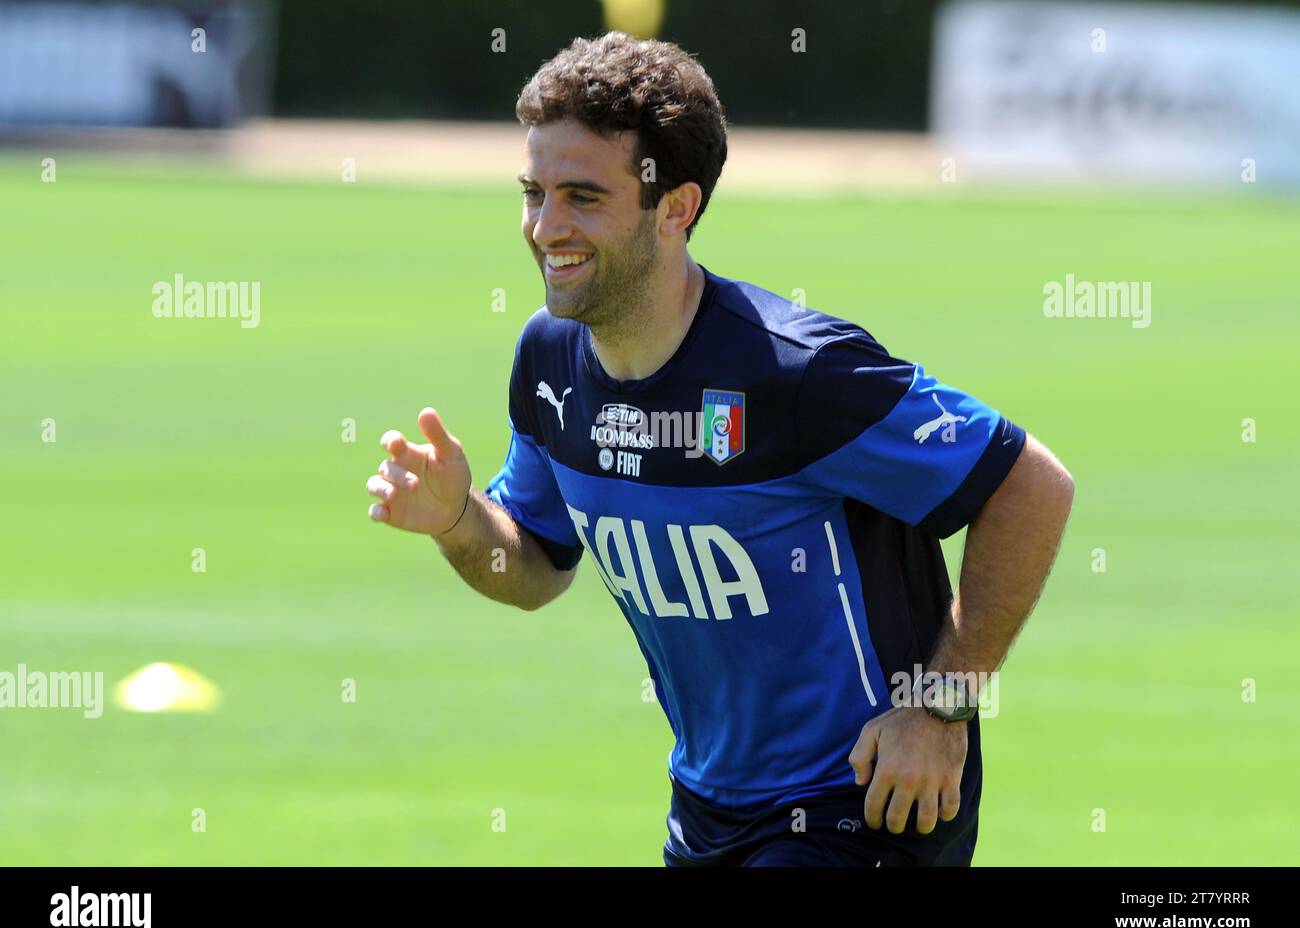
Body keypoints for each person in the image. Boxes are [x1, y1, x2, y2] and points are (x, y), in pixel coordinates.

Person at [366, 32, 1074, 866]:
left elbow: (1030, 485)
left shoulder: (796, 373)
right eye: (533, 192)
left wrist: (941, 705)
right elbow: (533, 572)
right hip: (707, 809)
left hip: (860, 801)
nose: (544, 227)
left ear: (676, 208)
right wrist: (457, 520)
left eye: (583, 197)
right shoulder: (551, 355)